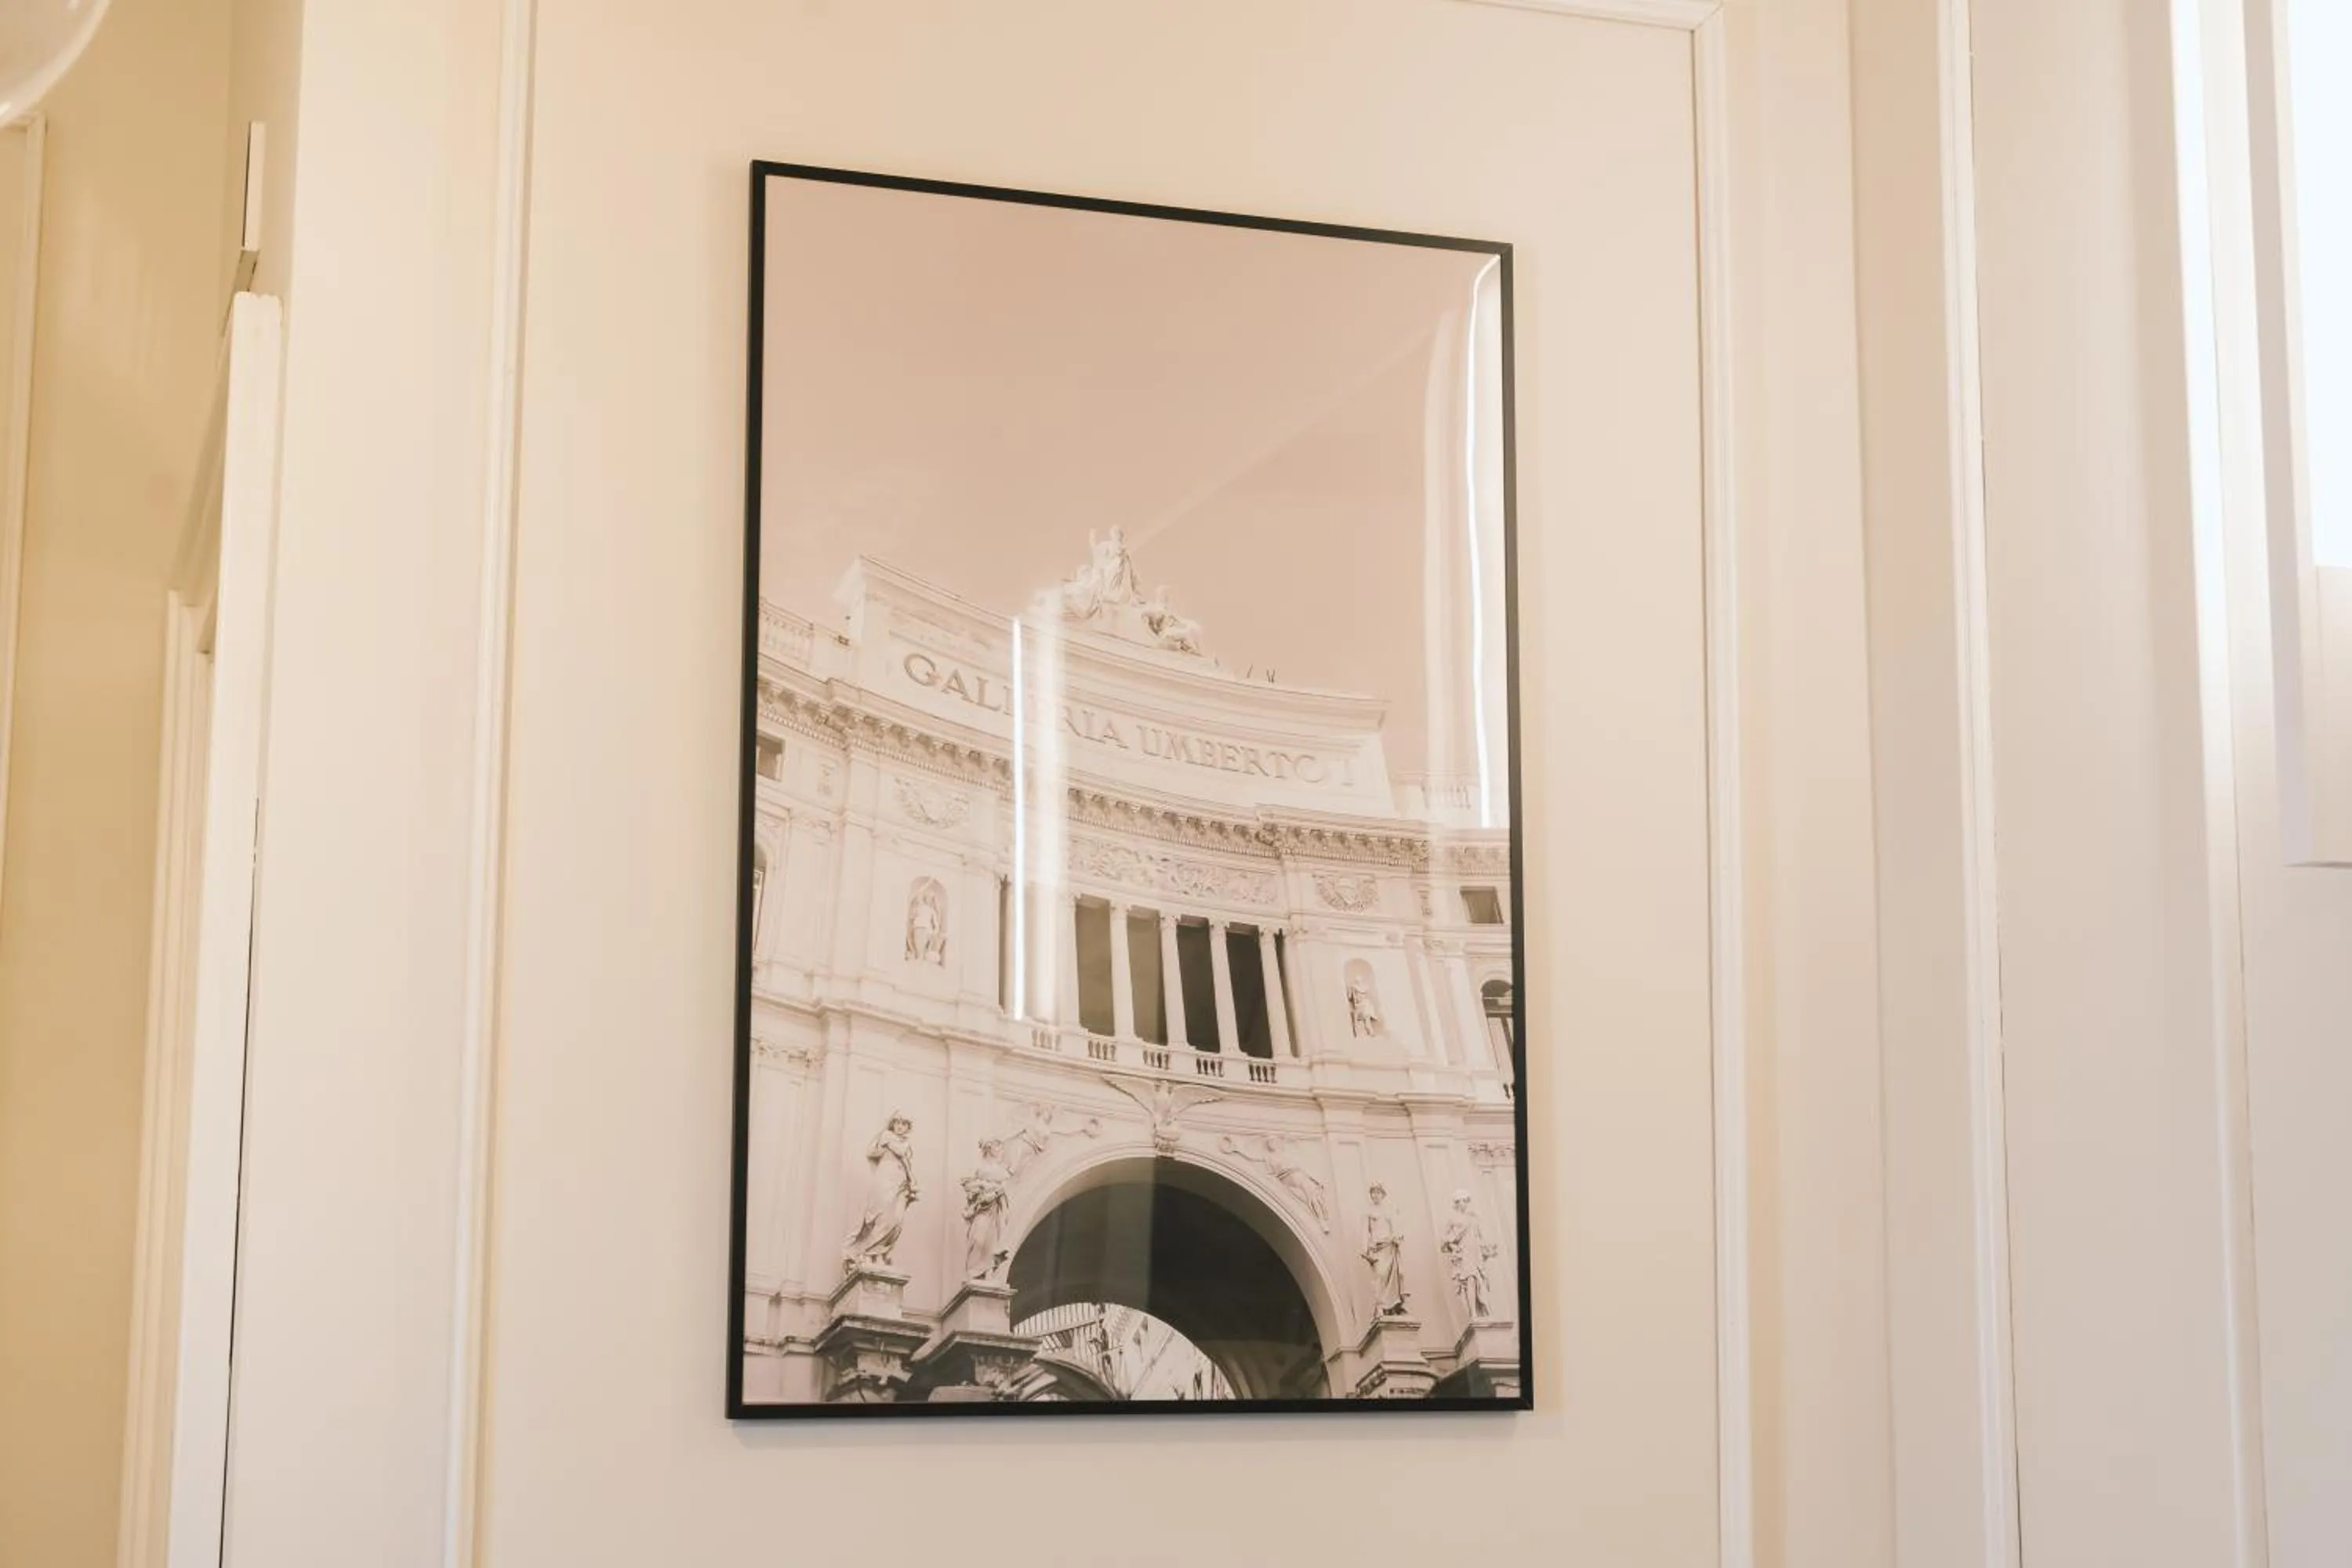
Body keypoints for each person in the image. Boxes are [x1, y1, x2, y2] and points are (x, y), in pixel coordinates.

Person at [841, 1112, 919, 1273]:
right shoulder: (887, 1136)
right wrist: (912, 1178)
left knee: (897, 1221)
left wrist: (910, 1180)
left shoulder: (906, 1143)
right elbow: (899, 1153)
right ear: (892, 1124)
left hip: (900, 1182)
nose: (900, 1126)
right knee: (883, 1216)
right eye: (897, 1122)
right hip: (886, 1178)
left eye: (904, 1124)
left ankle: (880, 1252)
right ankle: (868, 1253)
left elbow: (905, 1160)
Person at [959, 1138, 1014, 1281]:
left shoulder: (1002, 1170)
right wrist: (983, 1187)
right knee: (978, 1239)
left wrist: (994, 1191)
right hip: (982, 1207)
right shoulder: (979, 1166)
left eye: (1001, 1147)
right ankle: (973, 1272)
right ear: (989, 1148)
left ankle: (987, 1274)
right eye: (997, 1147)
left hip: (996, 1208)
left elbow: (1005, 1186)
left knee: (992, 1241)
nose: (1000, 1150)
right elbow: (967, 1184)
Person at [1439, 1189, 1497, 1319]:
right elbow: (1444, 1240)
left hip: (1475, 1251)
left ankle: (1484, 1309)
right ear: (1456, 1203)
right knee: (1470, 1279)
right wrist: (1453, 1247)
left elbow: (1481, 1236)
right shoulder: (1452, 1219)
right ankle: (1473, 1313)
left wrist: (1489, 1248)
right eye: (1460, 1201)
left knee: (1480, 1280)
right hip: (1464, 1252)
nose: (1463, 1204)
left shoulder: (1473, 1218)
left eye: (1465, 1201)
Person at [1363, 1182, 1409, 1317]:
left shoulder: (1388, 1211)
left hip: (1390, 1246)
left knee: (1397, 1275)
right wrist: (1366, 1250)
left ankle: (1394, 1305)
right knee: (1380, 1276)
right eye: (1373, 1192)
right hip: (1377, 1248)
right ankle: (1380, 1306)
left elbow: (1396, 1227)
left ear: (1383, 1194)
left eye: (1378, 1192)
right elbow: (1365, 1232)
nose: (1375, 1195)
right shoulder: (1368, 1212)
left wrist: (1398, 1237)